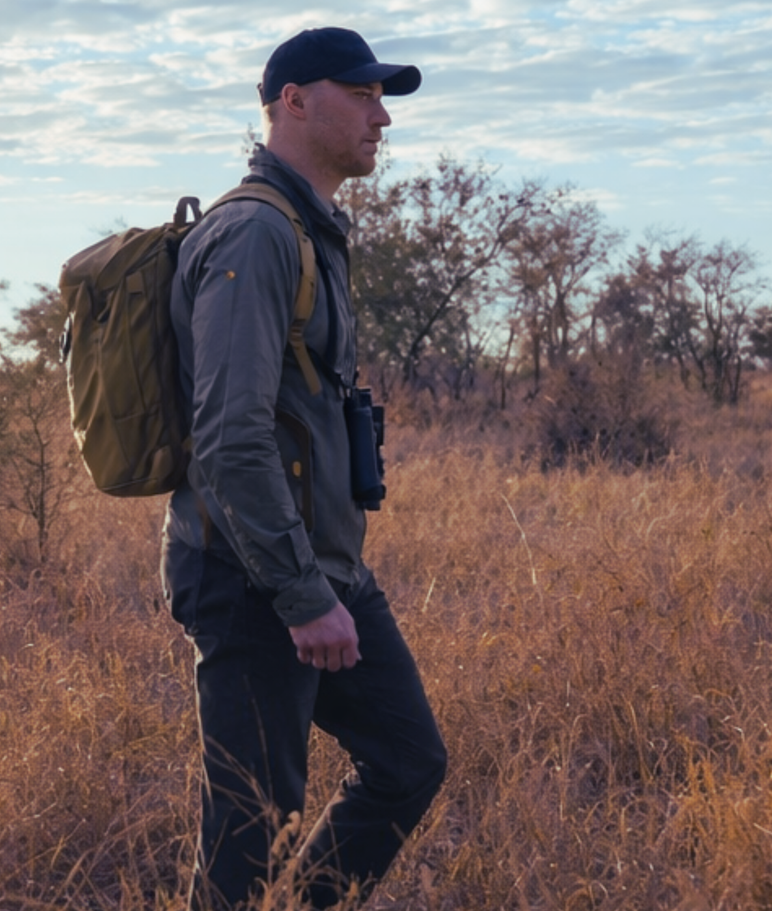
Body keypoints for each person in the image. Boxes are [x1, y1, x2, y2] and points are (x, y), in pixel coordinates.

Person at [162, 26, 447, 911]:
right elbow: (230, 434)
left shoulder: (310, 228)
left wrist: (326, 582)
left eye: (382, 98)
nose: (381, 117)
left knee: (408, 759)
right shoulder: (253, 233)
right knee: (252, 830)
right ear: (294, 101)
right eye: (361, 94)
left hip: (323, 567)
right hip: (252, 577)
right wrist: (299, 595)